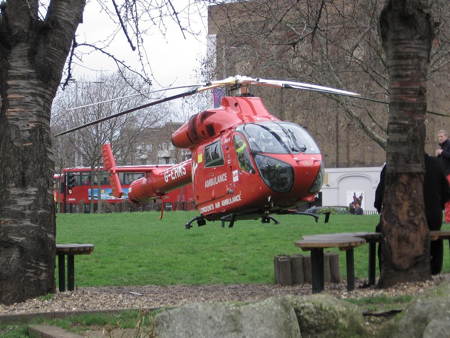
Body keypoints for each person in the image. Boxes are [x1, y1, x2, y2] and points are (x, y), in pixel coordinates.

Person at [374, 154, 450, 275]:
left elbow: (379, 196)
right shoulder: (436, 164)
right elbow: (446, 192)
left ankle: (386, 267)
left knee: (382, 231)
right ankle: (434, 268)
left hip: (398, 218)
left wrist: (381, 208)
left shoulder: (390, 166)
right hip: (431, 217)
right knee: (434, 231)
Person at [435, 129, 450, 223]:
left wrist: (442, 152)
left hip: (449, 174)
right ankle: (446, 218)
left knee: (448, 197)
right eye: (439, 137)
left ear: (446, 136)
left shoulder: (448, 145)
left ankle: (448, 218)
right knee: (443, 197)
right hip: (443, 176)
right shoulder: (442, 147)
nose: (440, 138)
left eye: (441, 136)